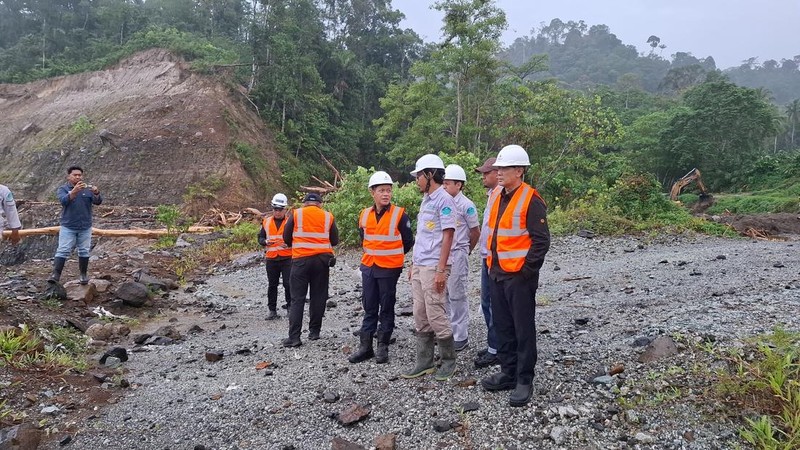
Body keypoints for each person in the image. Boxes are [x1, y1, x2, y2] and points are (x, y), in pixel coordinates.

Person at [480, 145, 550, 407]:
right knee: (502, 326)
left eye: (504, 168)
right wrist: (491, 266)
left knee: (523, 329)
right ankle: (508, 372)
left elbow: (541, 242)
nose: (498, 172)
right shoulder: (497, 196)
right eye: (497, 168)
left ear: (519, 170)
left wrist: (526, 272)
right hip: (497, 273)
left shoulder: (531, 199)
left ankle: (524, 379)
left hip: (519, 278)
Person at [400, 154, 458, 381]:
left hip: (434, 265)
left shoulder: (445, 200)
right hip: (420, 264)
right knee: (420, 313)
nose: (417, 180)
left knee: (436, 313)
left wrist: (441, 270)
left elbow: (448, 236)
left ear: (430, 174)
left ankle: (448, 361)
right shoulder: (427, 199)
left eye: (419, 176)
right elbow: (423, 235)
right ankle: (424, 362)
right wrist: (413, 264)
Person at [348, 171, 414, 364]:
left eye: (388, 190)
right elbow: (364, 239)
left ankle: (382, 347)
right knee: (369, 307)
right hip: (369, 267)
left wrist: (393, 256)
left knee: (386, 307)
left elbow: (408, 241)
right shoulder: (364, 214)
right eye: (382, 190)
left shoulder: (400, 215)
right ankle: (365, 347)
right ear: (372, 192)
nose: (386, 194)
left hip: (389, 269)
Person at [281, 192, 338, 347]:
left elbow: (286, 237)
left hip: (301, 260)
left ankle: (294, 337)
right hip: (321, 262)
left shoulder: (296, 214)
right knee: (318, 296)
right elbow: (334, 240)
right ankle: (314, 332)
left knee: (297, 299)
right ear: (320, 204)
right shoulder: (328, 216)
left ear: (305, 203)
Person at [441, 164, 480, 352]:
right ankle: (446, 332)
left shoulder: (467, 205)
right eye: (443, 183)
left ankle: (460, 335)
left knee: (457, 294)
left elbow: (475, 232)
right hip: (443, 254)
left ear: (459, 184)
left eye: (448, 183)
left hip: (458, 252)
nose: (444, 186)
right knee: (443, 294)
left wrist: (466, 250)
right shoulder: (442, 202)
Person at [49, 166, 102, 285]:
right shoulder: (63, 189)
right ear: (69, 176)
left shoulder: (87, 189)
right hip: (68, 225)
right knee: (63, 250)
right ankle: (55, 275)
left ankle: (83, 275)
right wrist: (74, 191)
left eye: (80, 175)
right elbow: (63, 201)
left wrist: (96, 193)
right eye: (75, 175)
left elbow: (98, 201)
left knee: (84, 251)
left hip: (85, 226)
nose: (78, 177)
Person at [473, 157, 501, 369]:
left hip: (495, 258)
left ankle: (496, 349)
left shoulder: (500, 195)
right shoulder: (492, 195)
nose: (483, 176)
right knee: (486, 303)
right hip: (487, 256)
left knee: (492, 304)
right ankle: (494, 345)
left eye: (486, 172)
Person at [258, 193, 292, 320]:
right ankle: (272, 310)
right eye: (275, 209)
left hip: (287, 257)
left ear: (285, 209)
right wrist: (265, 242)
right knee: (272, 285)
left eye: (280, 209)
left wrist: (289, 243)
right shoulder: (266, 222)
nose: (277, 212)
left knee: (288, 284)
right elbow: (260, 238)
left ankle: (290, 308)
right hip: (272, 258)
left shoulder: (290, 222)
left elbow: (297, 238)